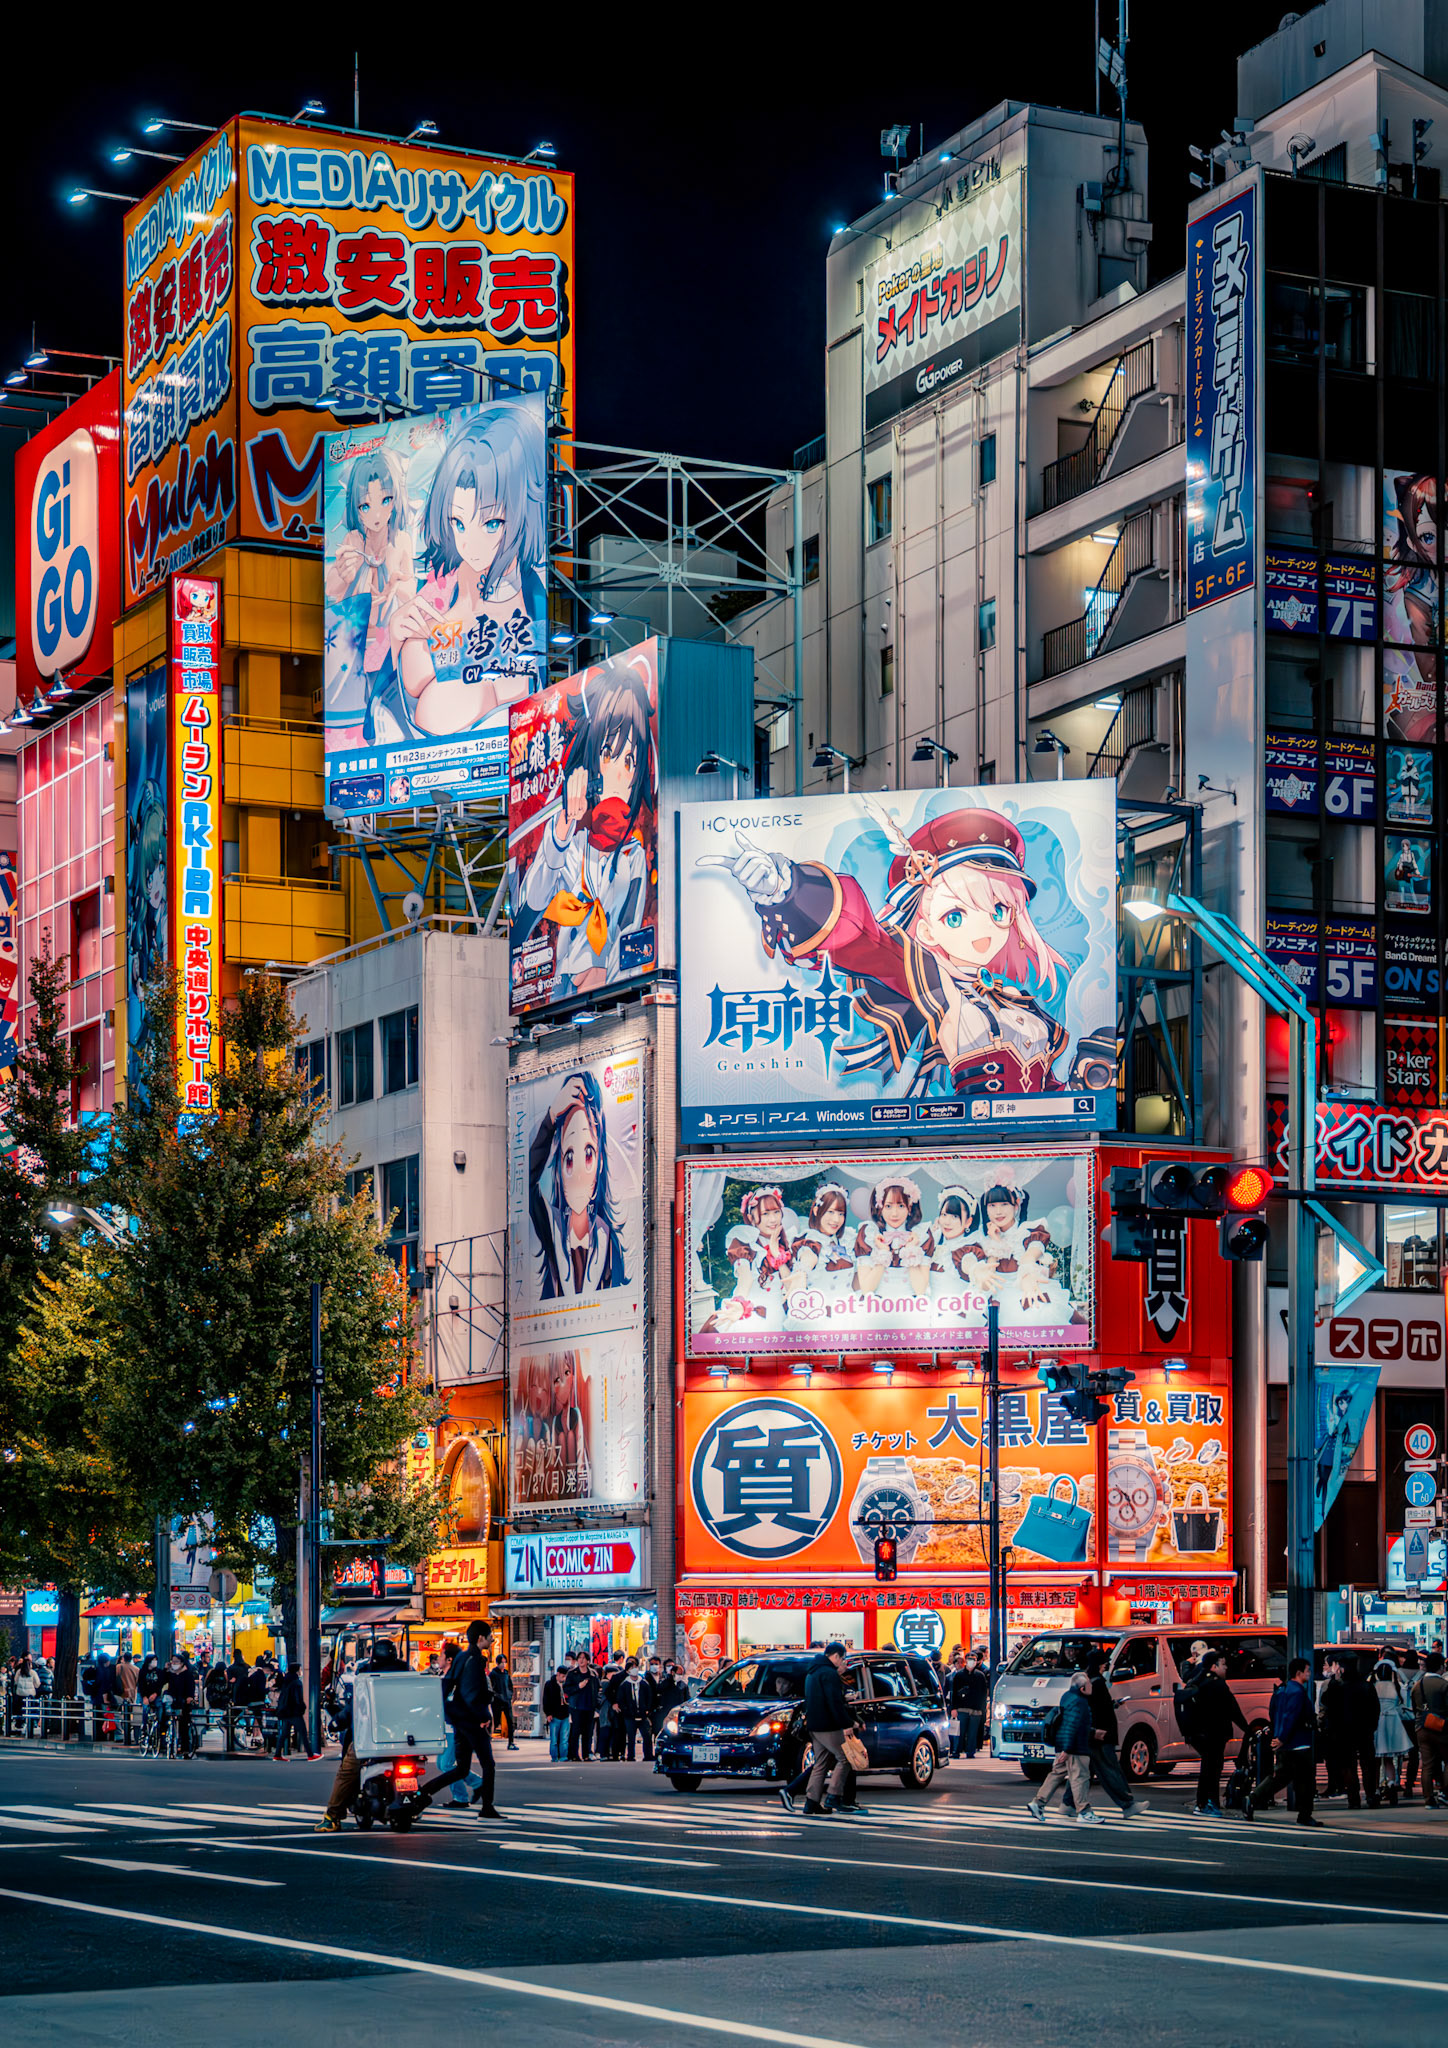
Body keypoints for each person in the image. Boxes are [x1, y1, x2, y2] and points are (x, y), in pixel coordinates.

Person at [406, 1618, 502, 1821]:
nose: (492, 1640)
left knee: (461, 1768)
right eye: (490, 1637)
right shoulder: (475, 1660)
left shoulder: (462, 1657)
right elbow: (472, 1693)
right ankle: (487, 1807)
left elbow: (449, 1685)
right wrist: (484, 1717)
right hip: (472, 1720)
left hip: (458, 1719)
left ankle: (423, 1793)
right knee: (488, 1764)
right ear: (480, 1638)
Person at [1247, 1658, 1322, 1826]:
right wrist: (1283, 1737)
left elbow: (1275, 1715)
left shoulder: (1280, 1691)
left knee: (1280, 1777)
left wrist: (1278, 1736)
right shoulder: (1298, 1692)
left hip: (1284, 1742)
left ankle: (1253, 1798)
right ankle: (1304, 1814)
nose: (1309, 1674)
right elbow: (1292, 1716)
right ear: (1299, 1673)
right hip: (1298, 1742)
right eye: (1307, 1671)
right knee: (1305, 1781)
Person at [797, 1641, 865, 1819]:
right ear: (835, 1656)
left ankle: (811, 1802)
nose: (842, 1663)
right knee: (845, 1759)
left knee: (820, 1764)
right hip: (829, 1725)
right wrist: (846, 1724)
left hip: (814, 1724)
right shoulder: (829, 1674)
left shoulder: (812, 1672)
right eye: (842, 1659)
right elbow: (835, 1702)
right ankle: (834, 1796)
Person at [1081, 1650, 1149, 1820]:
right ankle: (1127, 1804)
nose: (1107, 1665)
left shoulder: (1090, 1682)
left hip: (1096, 1734)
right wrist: (1096, 1731)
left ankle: (1067, 1804)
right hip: (1101, 1734)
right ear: (1098, 1664)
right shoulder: (1096, 1684)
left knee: (1082, 1773)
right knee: (1109, 1771)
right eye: (1104, 1662)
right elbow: (1097, 1709)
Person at [1025, 1671, 1101, 1825]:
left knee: (1056, 1774)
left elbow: (1067, 1723)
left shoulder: (1067, 1697)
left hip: (1063, 1744)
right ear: (1082, 1688)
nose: (1091, 1685)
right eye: (1089, 1684)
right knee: (1080, 1778)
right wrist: (1068, 1749)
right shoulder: (1080, 1702)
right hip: (1075, 1747)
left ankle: (1038, 1803)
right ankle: (1084, 1811)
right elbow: (1073, 1725)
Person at [1187, 1651, 1245, 1817]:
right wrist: (1247, 1729)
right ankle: (1208, 1804)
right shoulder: (1217, 1684)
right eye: (1223, 1664)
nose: (1226, 1667)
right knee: (1212, 1770)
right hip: (1214, 1734)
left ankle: (1204, 1803)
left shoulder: (1198, 1680)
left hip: (1199, 1734)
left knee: (1207, 1768)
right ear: (1214, 1666)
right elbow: (1233, 1709)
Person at [1410, 1651, 1448, 1807]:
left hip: (1422, 1727)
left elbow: (1414, 1707)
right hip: (1442, 1727)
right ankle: (1445, 1793)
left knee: (1427, 1764)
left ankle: (1428, 1799)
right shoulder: (1444, 1685)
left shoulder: (1418, 1685)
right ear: (1441, 1667)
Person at [1374, 1656, 1413, 1804]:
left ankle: (1377, 1788)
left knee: (1376, 1759)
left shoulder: (1374, 1686)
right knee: (1390, 1759)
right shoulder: (1396, 1687)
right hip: (1393, 1723)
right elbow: (1401, 1706)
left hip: (1377, 1722)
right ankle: (1391, 1783)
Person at [273, 1662, 317, 1762]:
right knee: (303, 1733)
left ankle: (277, 1754)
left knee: (284, 1733)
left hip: (285, 1711)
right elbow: (298, 1698)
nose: (301, 1671)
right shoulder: (297, 1682)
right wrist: (301, 1707)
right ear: (297, 1670)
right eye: (300, 1669)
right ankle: (310, 1755)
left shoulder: (286, 1680)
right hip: (294, 1712)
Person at [616, 1657, 656, 1761]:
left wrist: (647, 1709)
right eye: (632, 1668)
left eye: (635, 1667)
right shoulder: (624, 1685)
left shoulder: (644, 1683)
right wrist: (626, 1710)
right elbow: (621, 1699)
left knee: (647, 1736)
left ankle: (648, 1755)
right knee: (631, 1737)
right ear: (628, 1671)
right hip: (629, 1715)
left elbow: (649, 1697)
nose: (634, 1669)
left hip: (643, 1714)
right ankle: (630, 1756)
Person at [566, 1654, 598, 1761]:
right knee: (575, 1732)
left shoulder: (593, 1674)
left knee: (588, 1733)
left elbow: (599, 1690)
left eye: (584, 1658)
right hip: (576, 1707)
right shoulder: (572, 1674)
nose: (581, 1660)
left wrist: (596, 1705)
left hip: (589, 1707)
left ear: (588, 1661)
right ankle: (574, 1755)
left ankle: (586, 1754)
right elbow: (567, 1689)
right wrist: (578, 1687)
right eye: (579, 1658)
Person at [166, 1652, 197, 1758]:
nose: (174, 1664)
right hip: (173, 1701)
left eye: (176, 1662)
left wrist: (189, 1697)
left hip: (184, 1703)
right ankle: (168, 1744)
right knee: (167, 1720)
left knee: (184, 1725)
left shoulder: (187, 1674)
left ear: (182, 1663)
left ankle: (185, 1748)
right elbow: (164, 1683)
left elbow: (191, 1688)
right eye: (172, 1661)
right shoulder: (170, 1674)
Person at [543, 1665, 570, 1761]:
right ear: (558, 1674)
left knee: (564, 1739)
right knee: (554, 1739)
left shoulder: (567, 1685)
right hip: (554, 1715)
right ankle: (554, 1757)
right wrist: (548, 1714)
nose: (564, 1679)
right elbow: (546, 1701)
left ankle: (563, 1756)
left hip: (565, 1714)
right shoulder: (550, 1685)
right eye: (563, 1676)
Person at [492, 1655, 517, 1750]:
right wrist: (497, 1696)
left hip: (506, 1701)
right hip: (497, 1702)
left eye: (505, 1662)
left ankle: (511, 1742)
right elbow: (492, 1688)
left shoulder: (506, 1673)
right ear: (497, 1663)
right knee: (495, 1722)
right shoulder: (493, 1674)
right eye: (502, 1662)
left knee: (510, 1722)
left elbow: (510, 1686)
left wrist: (510, 1695)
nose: (504, 1664)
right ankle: (488, 1740)